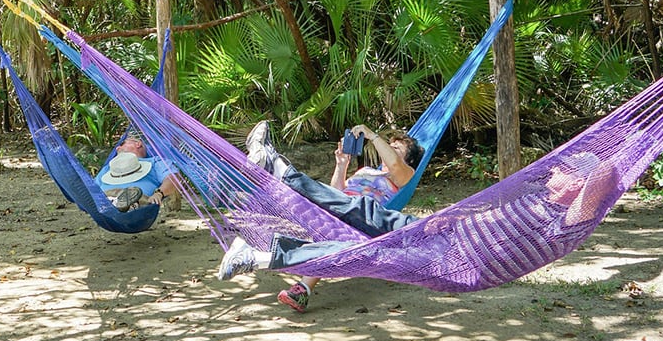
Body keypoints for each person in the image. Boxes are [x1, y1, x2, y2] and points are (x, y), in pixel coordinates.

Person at [220, 121, 423, 312]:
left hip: (363, 218)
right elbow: (336, 193)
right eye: (391, 146)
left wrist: (371, 135)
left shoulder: (405, 175)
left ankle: (275, 168)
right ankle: (298, 287)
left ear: (408, 160)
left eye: (396, 149)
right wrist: (341, 164)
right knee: (321, 215)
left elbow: (395, 165)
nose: (388, 150)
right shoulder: (367, 171)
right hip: (337, 208)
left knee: (338, 228)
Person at [95, 135, 182, 212]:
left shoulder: (155, 162)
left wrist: (159, 193)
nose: (117, 148)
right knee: (105, 198)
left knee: (136, 197)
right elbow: (91, 189)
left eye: (122, 144)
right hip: (105, 199)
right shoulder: (109, 167)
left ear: (137, 143)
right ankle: (117, 203)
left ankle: (125, 205)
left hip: (141, 201)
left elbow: (173, 178)